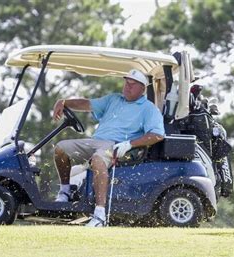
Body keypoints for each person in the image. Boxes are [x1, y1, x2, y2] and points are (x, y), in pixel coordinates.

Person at [52, 69, 165, 227]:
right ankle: (65, 191)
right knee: (60, 148)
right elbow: (87, 104)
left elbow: (157, 135)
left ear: (142, 89)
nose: (127, 87)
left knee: (98, 160)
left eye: (132, 85)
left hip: (118, 146)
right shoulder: (114, 99)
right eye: (126, 83)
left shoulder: (148, 108)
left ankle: (99, 215)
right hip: (96, 141)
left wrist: (130, 144)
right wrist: (64, 102)